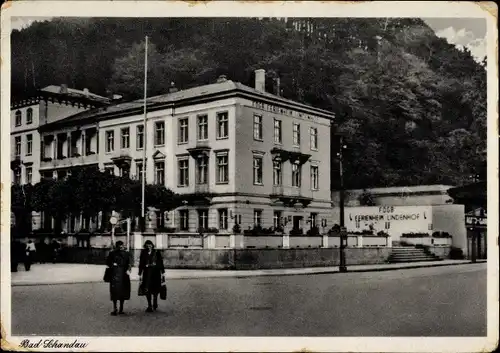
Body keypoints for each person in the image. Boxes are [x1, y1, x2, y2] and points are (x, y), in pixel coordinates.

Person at [105, 241, 131, 316]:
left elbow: (129, 263)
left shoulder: (126, 253)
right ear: (116, 246)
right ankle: (115, 308)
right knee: (114, 292)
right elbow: (108, 263)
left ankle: (121, 309)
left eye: (122, 245)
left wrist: (128, 270)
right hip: (115, 275)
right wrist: (113, 264)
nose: (121, 247)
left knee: (123, 292)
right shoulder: (112, 253)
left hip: (124, 275)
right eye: (119, 246)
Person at [138, 240, 165, 312]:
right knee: (147, 289)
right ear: (145, 245)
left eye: (150, 244)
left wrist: (162, 272)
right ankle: (149, 305)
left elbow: (160, 262)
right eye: (147, 245)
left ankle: (155, 303)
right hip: (147, 274)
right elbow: (141, 263)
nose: (149, 246)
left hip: (155, 273)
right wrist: (140, 273)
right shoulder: (143, 252)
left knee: (155, 289)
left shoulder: (157, 252)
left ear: (152, 245)